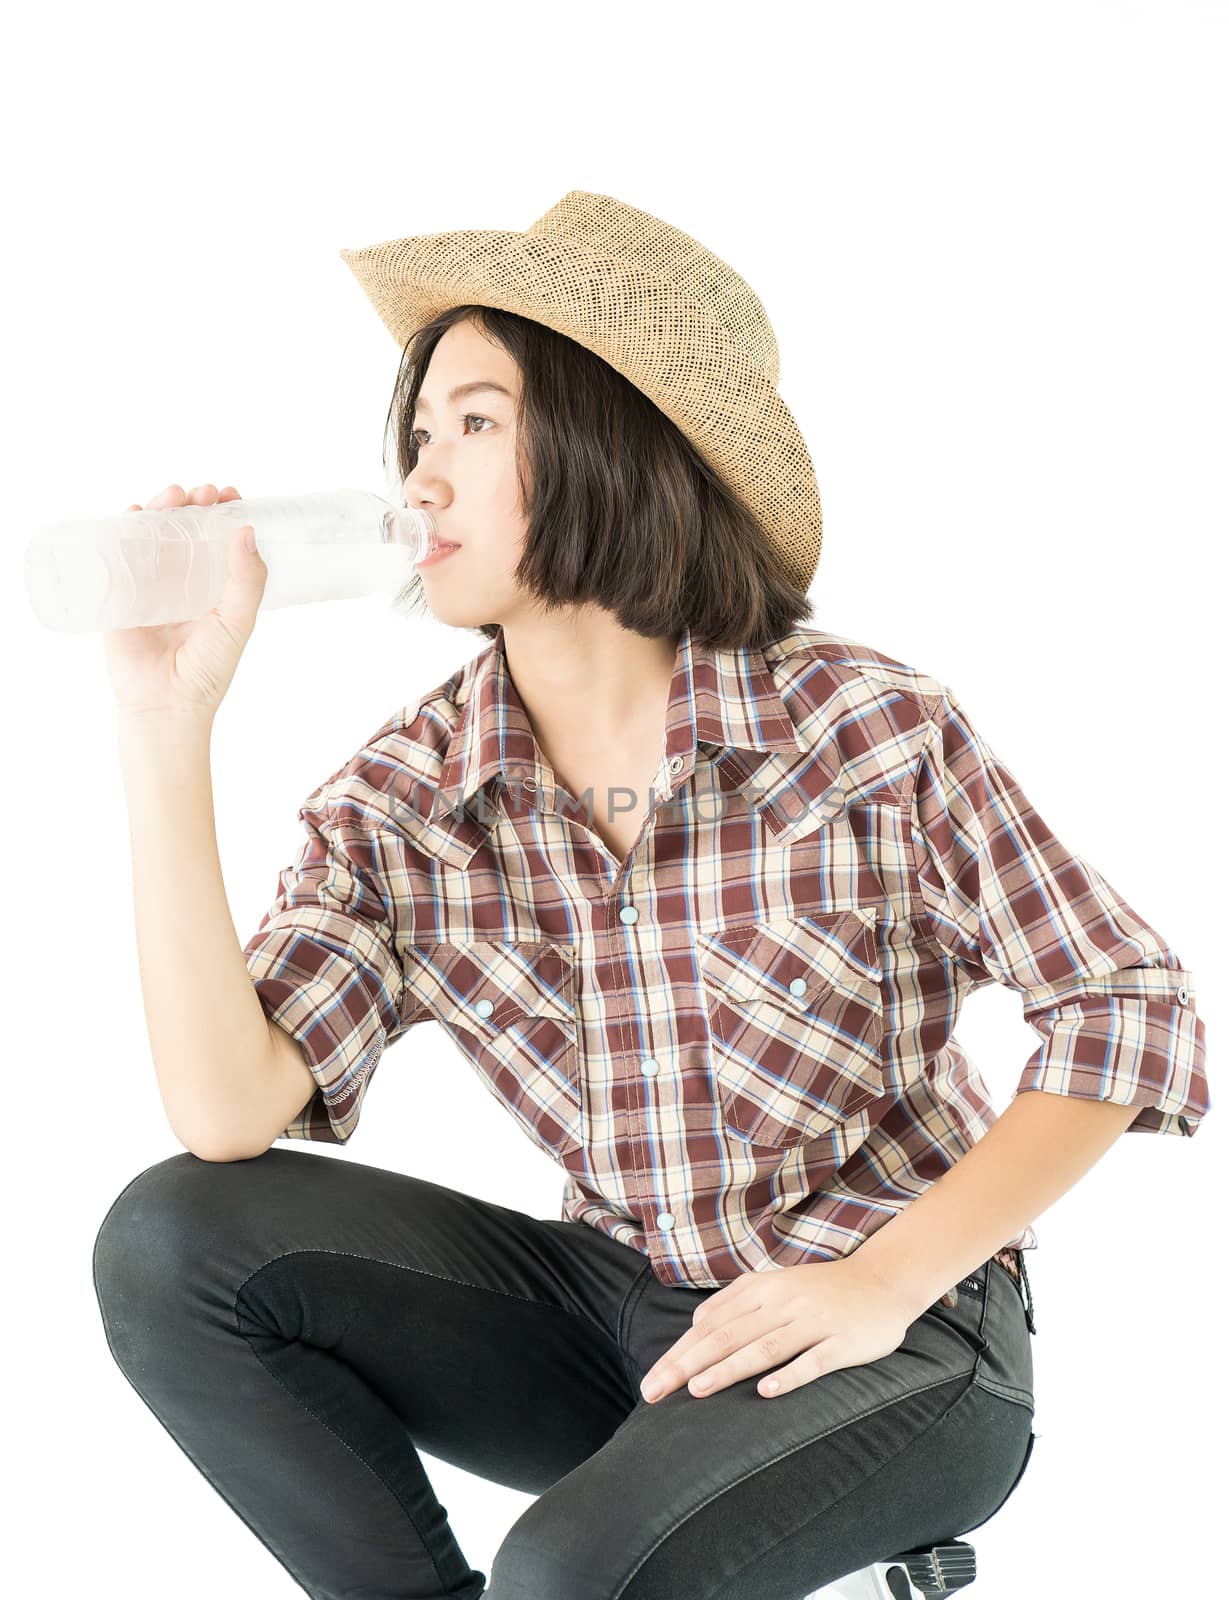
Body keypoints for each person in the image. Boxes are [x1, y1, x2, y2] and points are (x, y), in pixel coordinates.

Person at [92, 190, 1210, 1600]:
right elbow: (225, 1111)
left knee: (566, 1576)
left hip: (905, 1332)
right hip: (630, 1328)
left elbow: (1124, 1005)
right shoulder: (411, 796)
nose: (420, 477)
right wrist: (162, 727)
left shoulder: (860, 728)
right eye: (419, 434)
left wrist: (878, 1282)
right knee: (170, 1240)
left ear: (608, 438)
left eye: (477, 424)